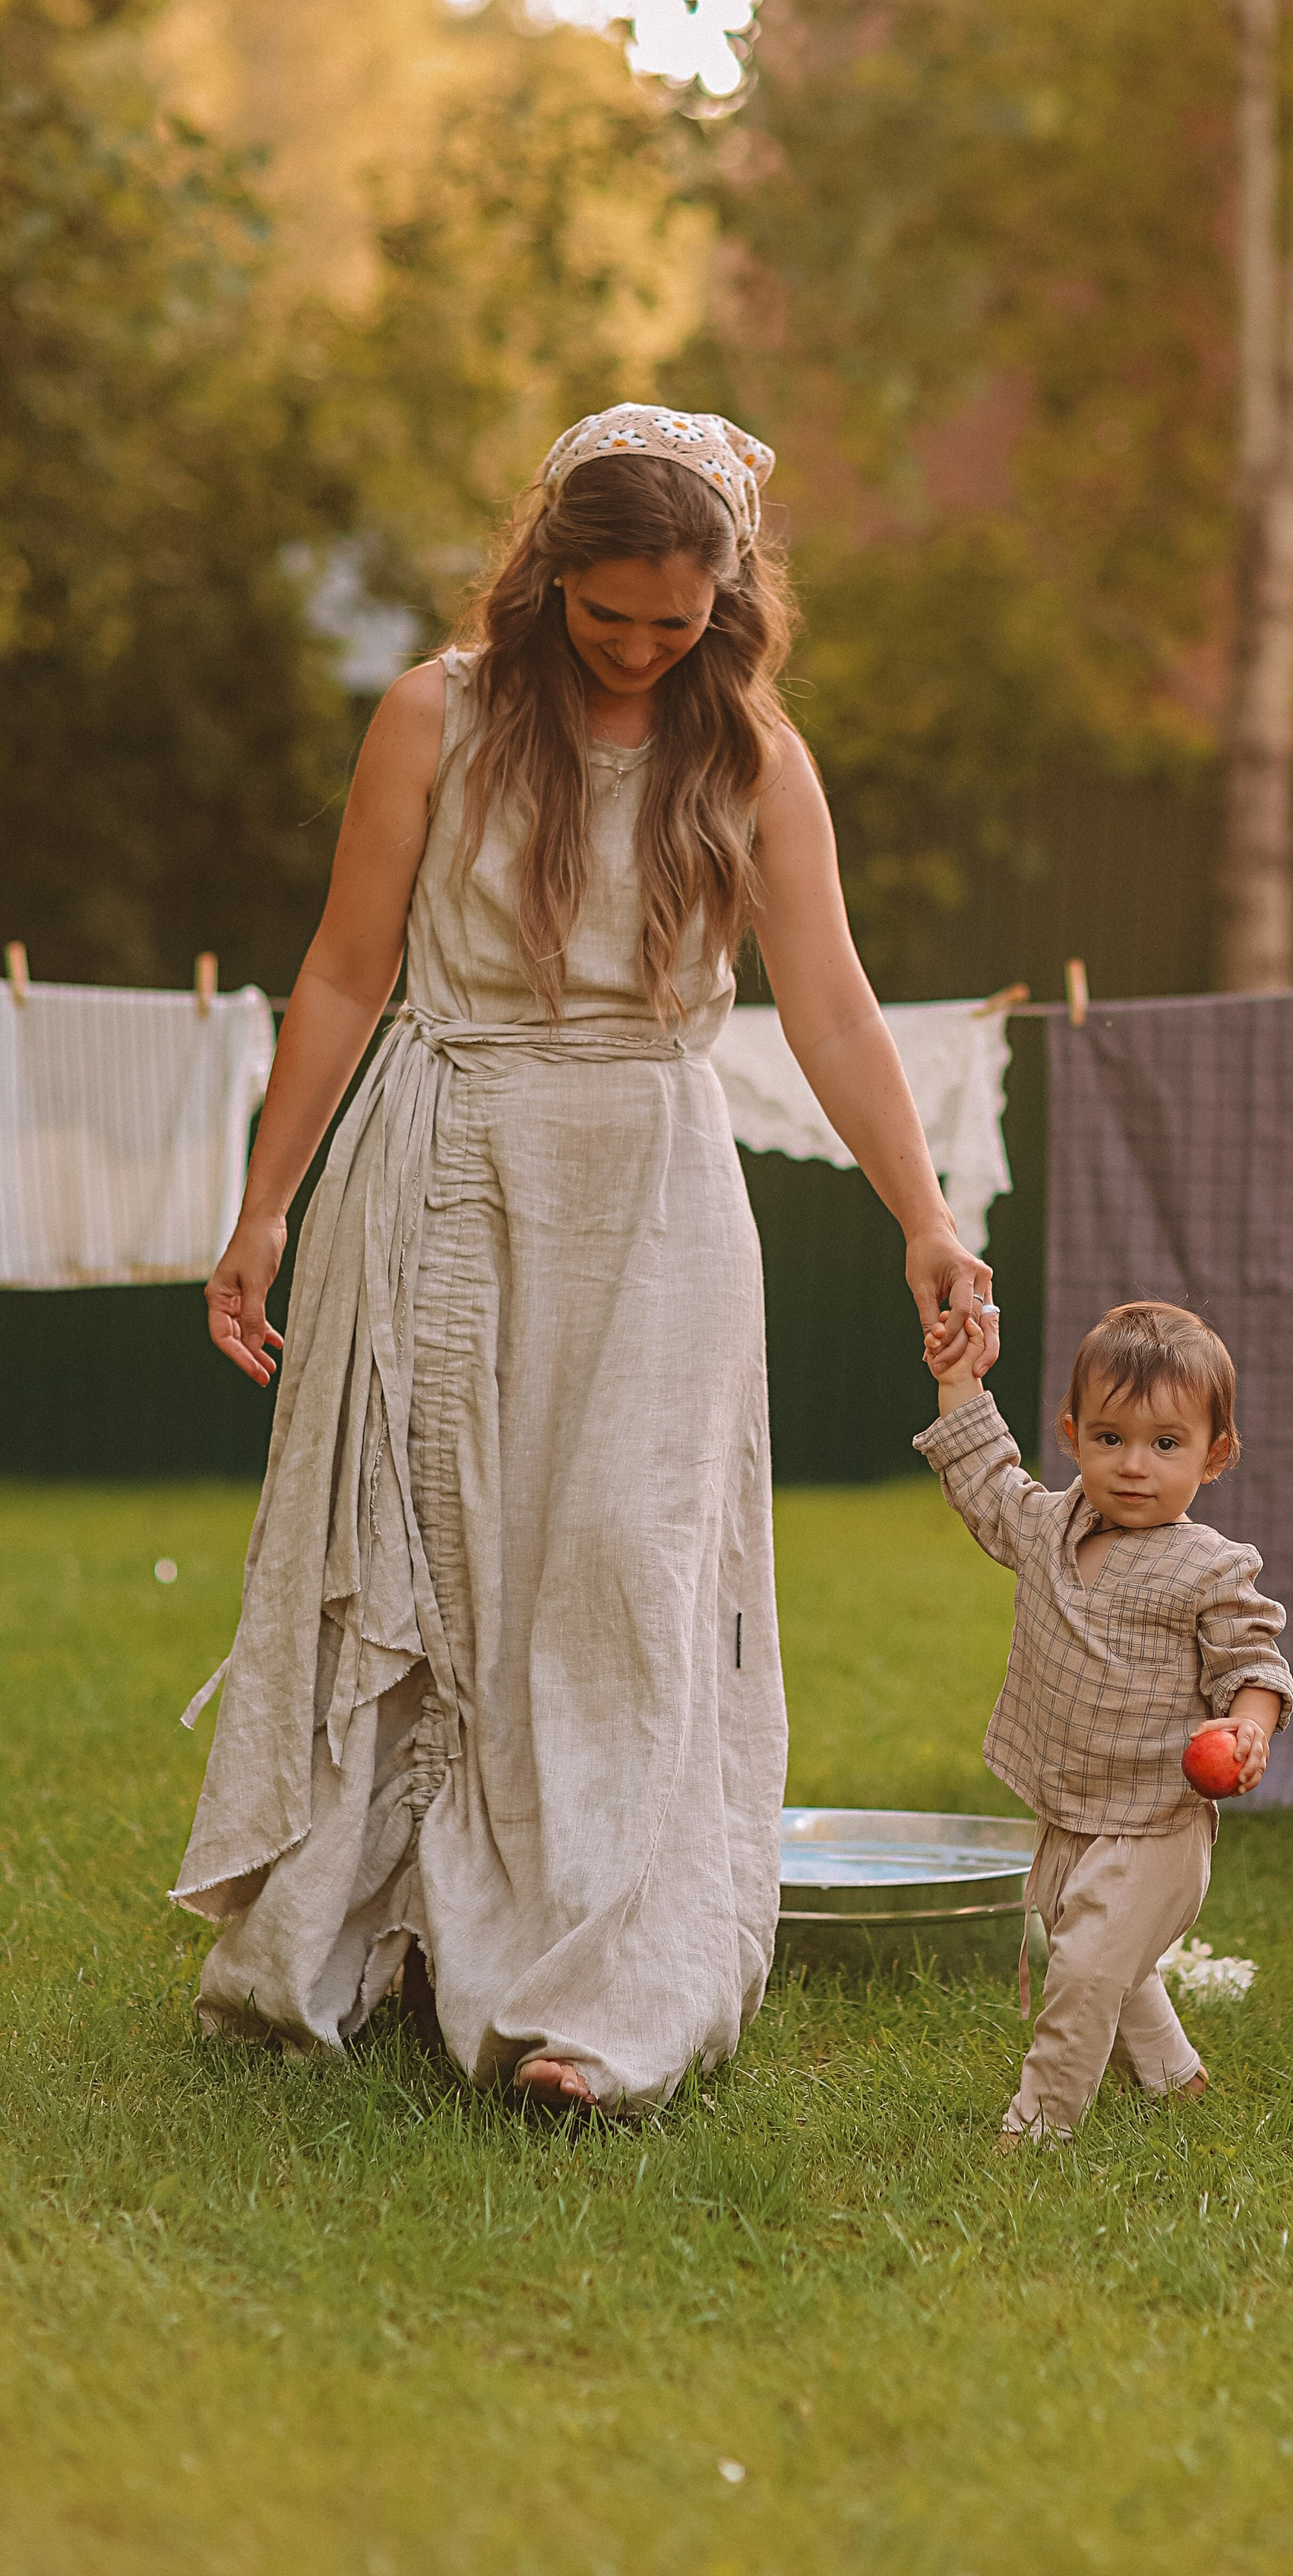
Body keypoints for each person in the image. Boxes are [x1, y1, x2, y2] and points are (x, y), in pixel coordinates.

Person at [178, 403, 995, 2113]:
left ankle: (608, 1993)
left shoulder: (754, 759)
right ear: (547, 578)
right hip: (446, 1153)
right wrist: (265, 1204)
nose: (635, 649)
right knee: (449, 1558)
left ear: (730, 602)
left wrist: (925, 1215)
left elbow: (829, 1003)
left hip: (652, 1185)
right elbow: (341, 973)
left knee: (625, 1563)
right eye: (604, 615)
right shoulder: (437, 715)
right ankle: (406, 1933)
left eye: (673, 624)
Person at [915, 1297, 1293, 2141]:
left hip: (1155, 1826)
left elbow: (1253, 1663)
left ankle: (1039, 2127)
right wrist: (960, 1379)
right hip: (1070, 1807)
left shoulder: (1209, 1566)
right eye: (1109, 1439)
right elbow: (982, 1477)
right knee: (1098, 1955)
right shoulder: (1050, 1526)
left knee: (1085, 1968)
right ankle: (1172, 2078)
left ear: (1215, 1454)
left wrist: (1248, 1726)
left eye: (1166, 1445)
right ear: (1071, 1432)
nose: (1132, 1466)